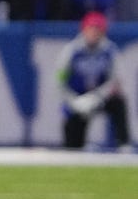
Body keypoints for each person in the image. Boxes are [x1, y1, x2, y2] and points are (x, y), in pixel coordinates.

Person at [55, 11, 131, 150]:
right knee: (73, 142)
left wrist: (97, 97)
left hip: (100, 96)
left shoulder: (109, 50)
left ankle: (124, 143)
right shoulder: (71, 50)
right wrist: (74, 101)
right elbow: (60, 81)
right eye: (91, 29)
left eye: (98, 30)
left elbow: (116, 80)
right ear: (84, 29)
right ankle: (75, 146)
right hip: (77, 97)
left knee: (118, 102)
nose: (94, 34)